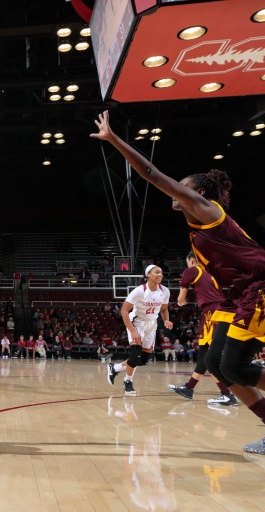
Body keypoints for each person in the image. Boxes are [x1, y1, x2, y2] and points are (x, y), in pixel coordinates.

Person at [92, 110, 265, 451]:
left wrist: (113, 140)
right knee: (218, 364)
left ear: (198, 191)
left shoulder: (207, 209)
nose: (176, 191)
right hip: (238, 294)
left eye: (182, 187)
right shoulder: (198, 222)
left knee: (233, 364)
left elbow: (152, 174)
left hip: (260, 286)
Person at [169, 252, 237, 405]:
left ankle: (228, 394)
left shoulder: (192, 270)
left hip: (212, 314)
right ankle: (189, 388)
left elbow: (180, 300)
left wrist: (181, 302)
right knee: (206, 355)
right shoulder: (212, 273)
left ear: (192, 260)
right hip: (224, 312)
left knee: (210, 356)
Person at [107, 265, 172, 396]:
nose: (160, 274)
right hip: (137, 323)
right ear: (148, 274)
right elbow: (124, 310)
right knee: (135, 356)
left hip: (151, 325)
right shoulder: (139, 291)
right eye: (157, 272)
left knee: (142, 360)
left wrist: (166, 320)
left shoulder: (165, 291)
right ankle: (128, 382)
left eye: (161, 273)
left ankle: (115, 368)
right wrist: (132, 330)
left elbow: (164, 309)